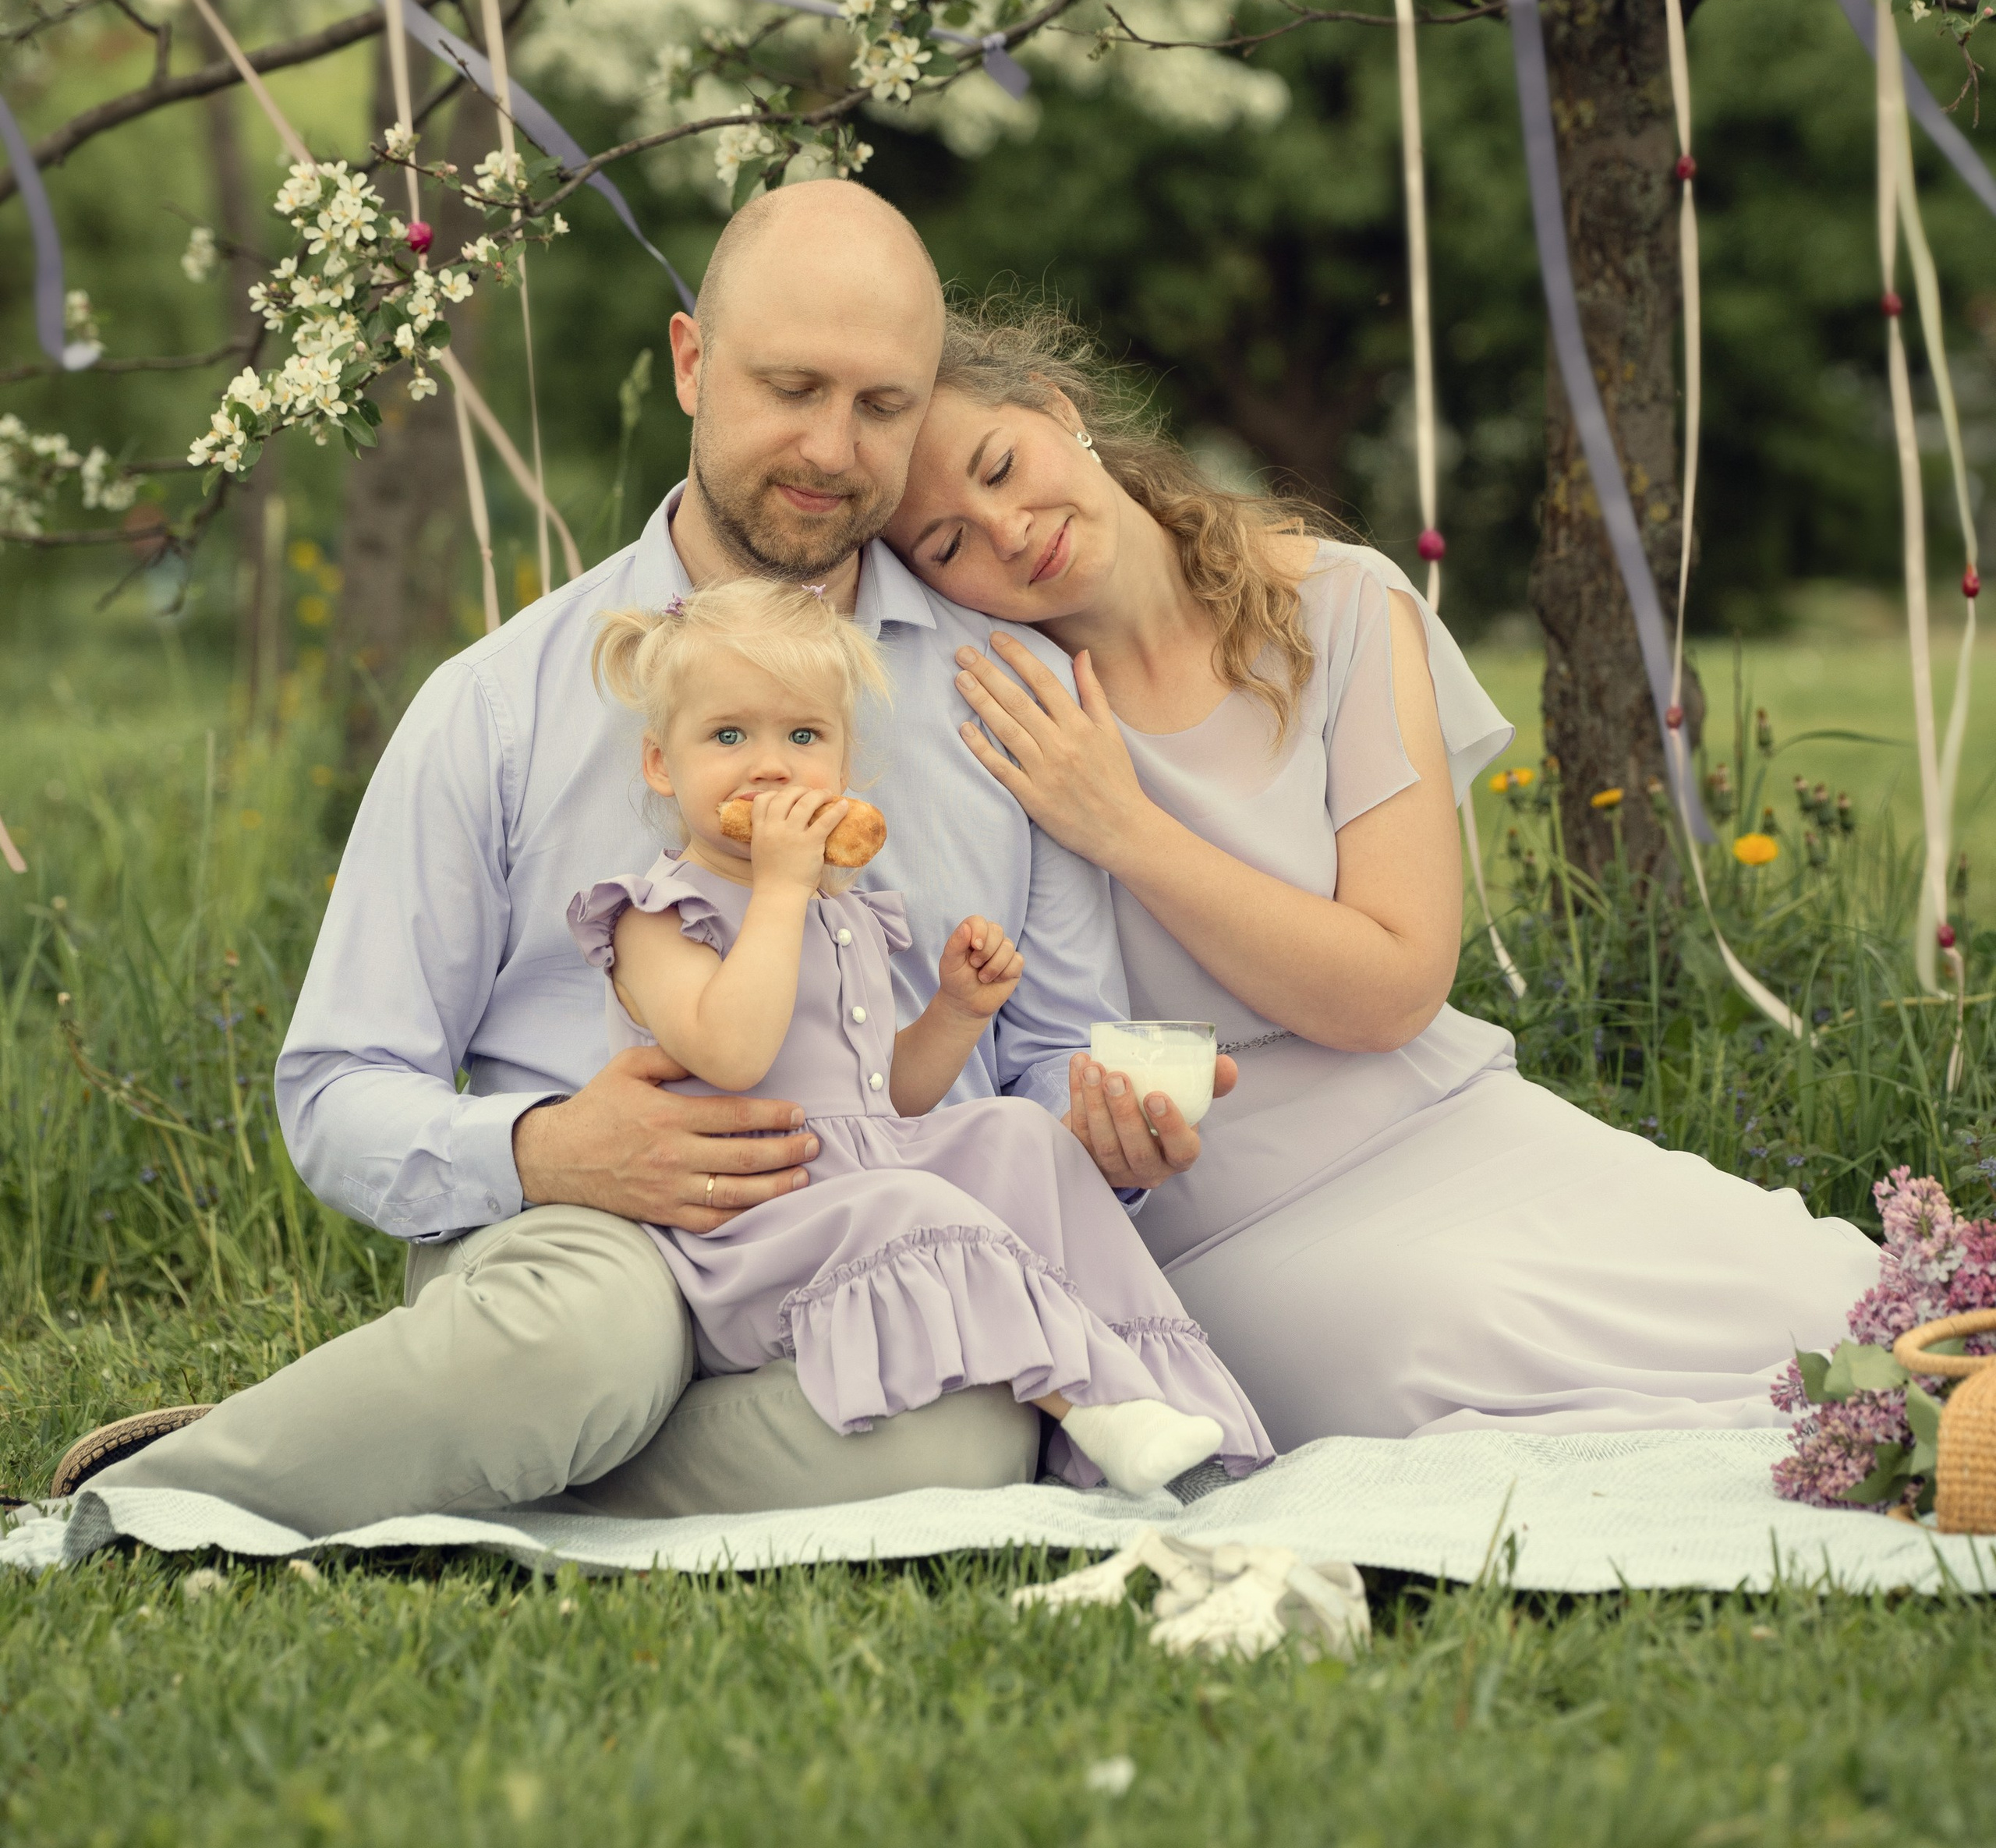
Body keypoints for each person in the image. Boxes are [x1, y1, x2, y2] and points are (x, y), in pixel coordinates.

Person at [58, 188, 1208, 1534]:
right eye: (792, 387)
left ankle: (433, 1437)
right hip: (581, 1255)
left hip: (856, 1257)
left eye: (884, 407)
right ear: (690, 363)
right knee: (586, 1347)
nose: (834, 450)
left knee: (956, 1430)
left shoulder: (1000, 704)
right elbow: (335, 1090)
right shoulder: (500, 703)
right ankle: (156, 1497)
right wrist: (548, 1152)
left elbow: (1044, 1063)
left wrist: (1115, 1137)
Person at [885, 300, 1881, 1445]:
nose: (1005, 529)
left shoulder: (1342, 605)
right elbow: (1022, 1023)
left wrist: (1127, 829)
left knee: (1815, 1297)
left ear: (1060, 411)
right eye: (947, 542)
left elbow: (1395, 986)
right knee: (1449, 1351)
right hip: (1225, 1217)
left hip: (1443, 1122)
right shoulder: (1001, 711)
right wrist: (1090, 1128)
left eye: (1002, 467)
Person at [569, 578, 1270, 1492]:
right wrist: (782, 890)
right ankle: (1097, 1411)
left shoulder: (840, 907)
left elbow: (882, 1099)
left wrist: (955, 1013)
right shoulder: (657, 916)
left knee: (1020, 1135)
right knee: (917, 1204)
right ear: (663, 764)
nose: (770, 766)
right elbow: (730, 1053)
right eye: (728, 736)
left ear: (847, 761)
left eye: (804, 737)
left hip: (852, 1190)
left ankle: (1167, 1400)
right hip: (746, 1232)